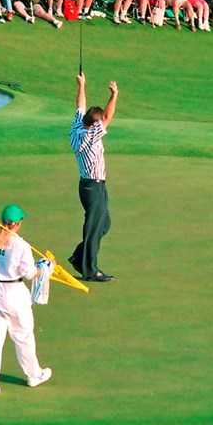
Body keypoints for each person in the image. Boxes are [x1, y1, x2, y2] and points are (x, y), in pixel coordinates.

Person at [0, 204, 53, 396]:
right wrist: (45, 267)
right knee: (23, 336)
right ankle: (34, 375)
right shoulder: (20, 245)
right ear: (18, 224)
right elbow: (30, 273)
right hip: (13, 294)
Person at [68, 73, 118, 282]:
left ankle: (79, 256)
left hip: (89, 186)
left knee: (103, 223)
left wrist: (82, 85)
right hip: (93, 187)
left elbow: (80, 105)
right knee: (93, 227)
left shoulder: (78, 127)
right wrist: (114, 95)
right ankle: (90, 270)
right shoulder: (91, 134)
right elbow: (107, 117)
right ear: (94, 124)